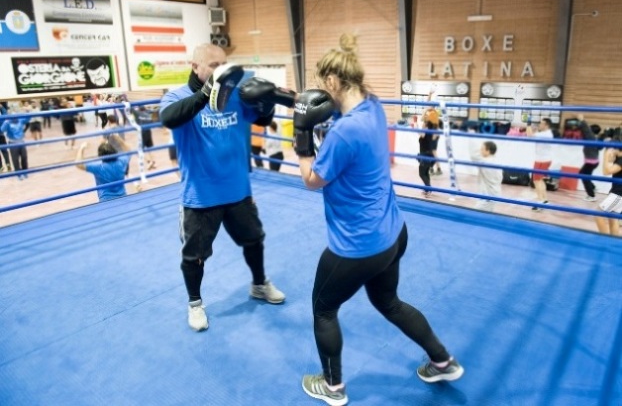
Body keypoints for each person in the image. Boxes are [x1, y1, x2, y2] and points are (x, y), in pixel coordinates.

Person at [293, 33, 463, 406]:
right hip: (393, 233)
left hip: (357, 246)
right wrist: (295, 100)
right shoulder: (372, 107)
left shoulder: (342, 134)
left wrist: (301, 134)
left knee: (324, 309)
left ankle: (333, 387)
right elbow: (334, 109)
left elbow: (311, 180)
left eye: (324, 84)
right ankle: (442, 361)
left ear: (334, 82)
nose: (323, 90)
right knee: (389, 302)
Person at [159, 43, 291, 332]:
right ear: (195, 66)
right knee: (194, 257)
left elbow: (263, 118)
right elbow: (168, 118)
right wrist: (207, 93)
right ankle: (195, 304)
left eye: (224, 64)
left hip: (238, 191)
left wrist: (267, 101)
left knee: (254, 240)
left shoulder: (235, 93)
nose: (221, 70)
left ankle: (259, 285)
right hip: (201, 196)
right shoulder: (178, 96)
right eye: (214, 65)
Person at [76, 133, 131, 202]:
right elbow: (129, 150)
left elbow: (78, 164)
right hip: (123, 197)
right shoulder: (121, 162)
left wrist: (82, 148)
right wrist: (118, 138)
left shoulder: (99, 167)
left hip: (105, 200)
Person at [595, 129, 622, 236]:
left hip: (619, 194)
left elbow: (606, 171)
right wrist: (610, 158)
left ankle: (605, 240)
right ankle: (612, 241)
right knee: (612, 218)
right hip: (617, 192)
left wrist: (605, 156)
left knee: (598, 213)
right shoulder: (619, 158)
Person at [526, 118, 554, 211]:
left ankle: (540, 202)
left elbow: (529, 135)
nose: (539, 125)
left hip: (541, 160)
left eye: (541, 123)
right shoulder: (548, 133)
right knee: (540, 180)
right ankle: (545, 200)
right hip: (545, 160)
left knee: (536, 181)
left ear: (546, 125)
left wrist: (528, 124)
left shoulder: (544, 134)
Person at [469, 135, 503, 212]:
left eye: (482, 149)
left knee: (475, 214)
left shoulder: (486, 162)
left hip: (488, 195)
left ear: (488, 151)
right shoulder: (496, 161)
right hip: (493, 193)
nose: (480, 151)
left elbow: (473, 155)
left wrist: (471, 135)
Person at [576, 114, 600, 202]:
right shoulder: (596, 138)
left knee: (583, 176)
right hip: (593, 162)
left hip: (591, 162)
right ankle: (593, 188)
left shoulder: (591, 137)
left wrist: (582, 120)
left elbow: (586, 130)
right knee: (584, 175)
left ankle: (592, 195)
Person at [418, 120, 439, 198]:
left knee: (421, 173)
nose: (422, 124)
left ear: (426, 125)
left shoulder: (425, 132)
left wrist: (416, 125)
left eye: (424, 123)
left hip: (425, 155)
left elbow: (421, 134)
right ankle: (427, 189)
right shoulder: (430, 132)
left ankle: (429, 189)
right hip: (429, 155)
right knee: (425, 173)